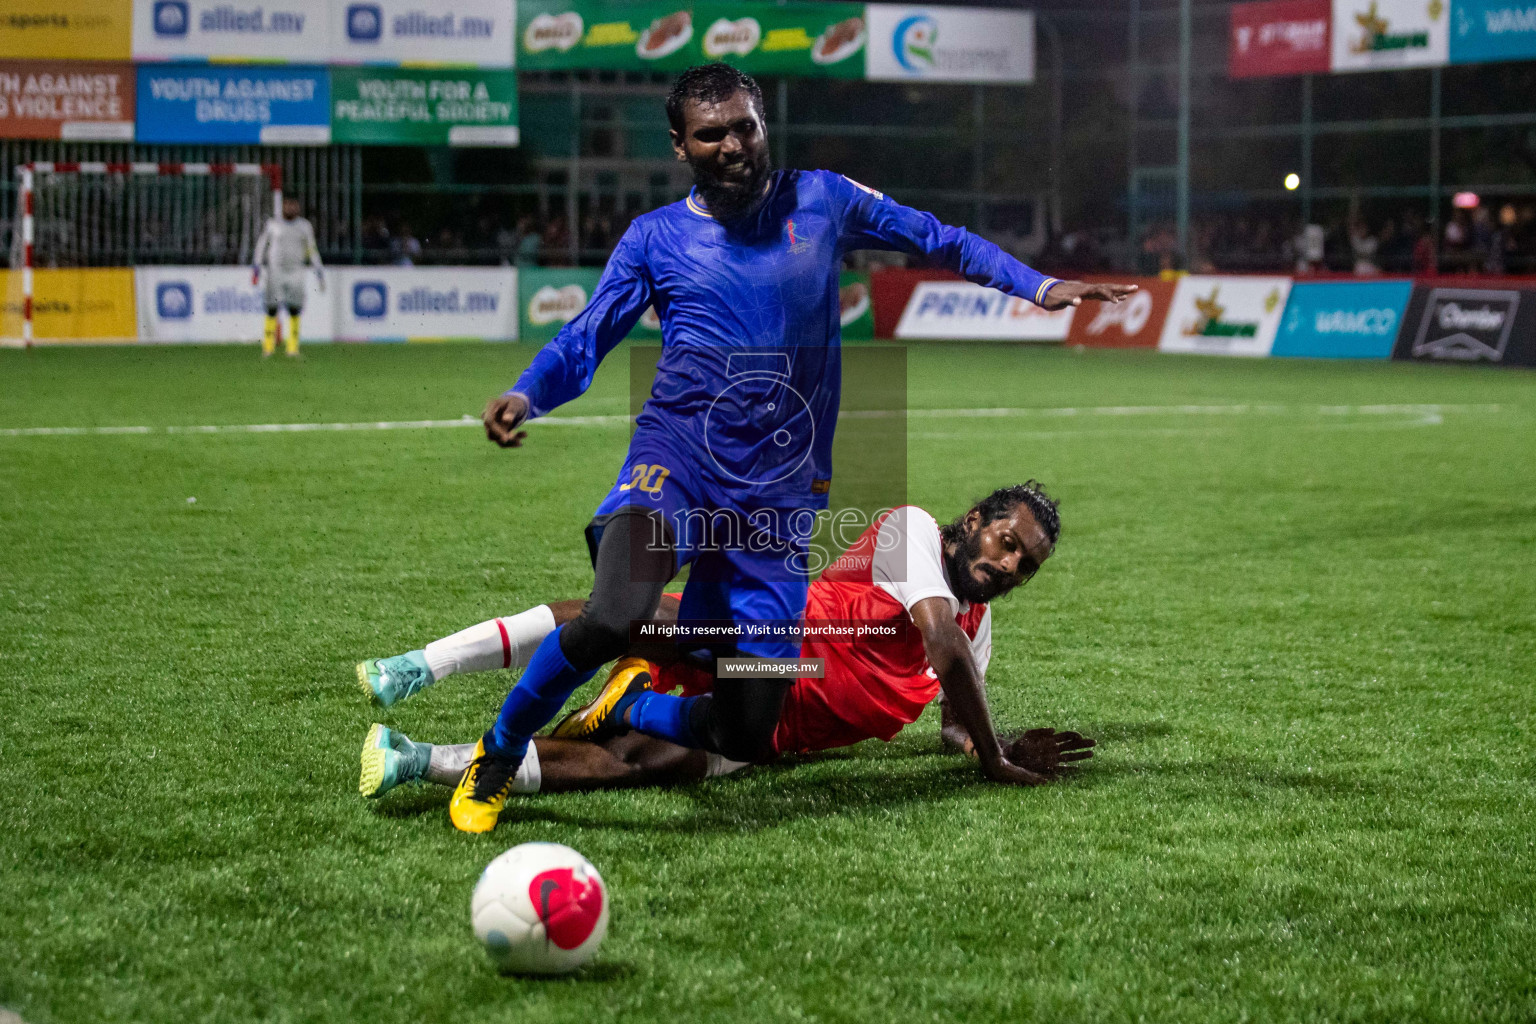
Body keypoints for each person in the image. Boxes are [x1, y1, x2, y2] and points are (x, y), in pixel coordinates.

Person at [461, 62, 1136, 835]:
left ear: (763, 124)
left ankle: (632, 703)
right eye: (711, 134)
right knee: (615, 615)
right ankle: (498, 754)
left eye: (745, 126)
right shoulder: (655, 239)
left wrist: (1038, 285)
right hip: (675, 461)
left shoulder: (823, 199)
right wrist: (527, 393)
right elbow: (587, 338)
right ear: (681, 146)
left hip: (776, 501)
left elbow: (935, 237)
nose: (733, 145)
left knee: (748, 729)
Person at [357, 485, 1093, 806]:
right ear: (973, 523)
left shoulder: (979, 629)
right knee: (619, 617)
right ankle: (421, 665)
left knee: (633, 768)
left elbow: (955, 719)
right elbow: (939, 646)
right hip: (764, 644)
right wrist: (997, 760)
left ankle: (415, 760)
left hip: (771, 735)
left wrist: (978, 745)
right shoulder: (913, 533)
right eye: (1007, 542)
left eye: (1025, 565)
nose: (1009, 565)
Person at [251, 197, 324, 359]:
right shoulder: (272, 224)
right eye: (288, 205)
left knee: (295, 308)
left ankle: (292, 348)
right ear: (283, 206)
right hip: (275, 270)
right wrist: (256, 266)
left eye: (294, 205)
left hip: (296, 270)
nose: (291, 208)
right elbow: (262, 245)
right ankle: (268, 347)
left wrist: (318, 269)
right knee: (271, 308)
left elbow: (311, 248)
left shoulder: (304, 226)